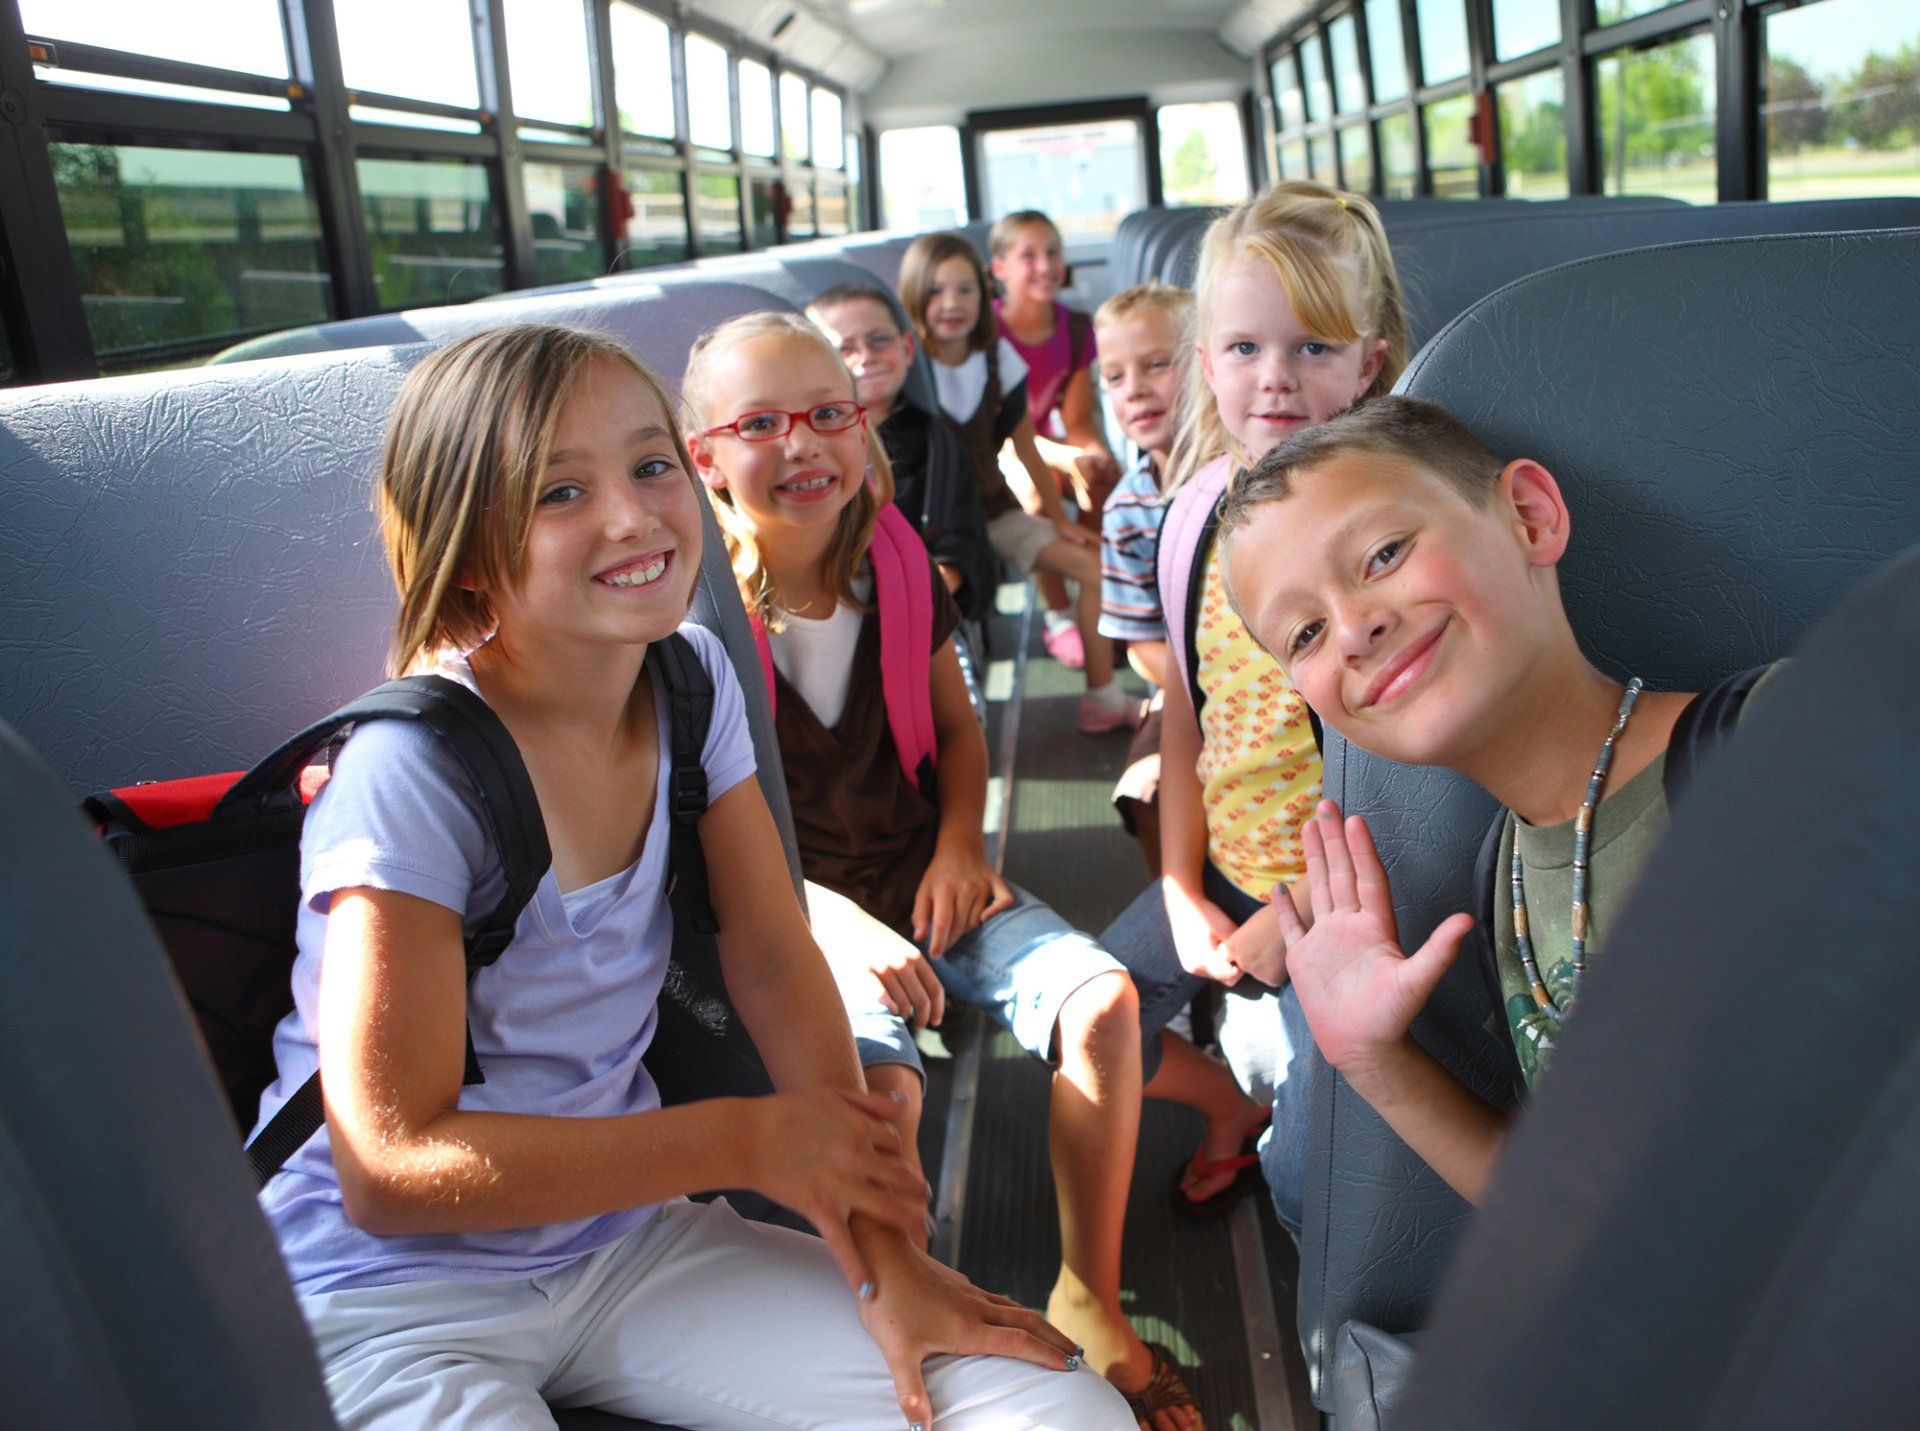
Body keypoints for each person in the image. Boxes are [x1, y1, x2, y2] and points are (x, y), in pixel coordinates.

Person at [251, 322, 1128, 1431]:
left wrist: (885, 1259)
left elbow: (768, 954)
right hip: (389, 1297)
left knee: (1052, 1408)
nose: (633, 515)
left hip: (625, 1243)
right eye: (560, 492)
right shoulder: (411, 774)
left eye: (651, 465)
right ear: (468, 547)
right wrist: (746, 1143)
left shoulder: (688, 681)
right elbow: (391, 1167)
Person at [684, 310, 1252, 1431]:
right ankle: (915, 1303)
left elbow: (958, 734)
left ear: (863, 425)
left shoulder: (894, 561)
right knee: (880, 1087)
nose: (802, 447)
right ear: (705, 455)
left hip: (921, 866)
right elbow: (710, 851)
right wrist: (840, 928)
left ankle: (1089, 1293)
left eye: (828, 415)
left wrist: (958, 847)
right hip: (794, 917)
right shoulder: (695, 626)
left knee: (1101, 1001)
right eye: (760, 425)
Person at [1215, 396, 1775, 1201]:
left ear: (1528, 516)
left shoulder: (1783, 738)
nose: (1352, 629)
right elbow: (1569, 1201)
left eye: (1383, 554)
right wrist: (1375, 1059)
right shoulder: (1504, 890)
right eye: (1304, 633)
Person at [1099, 182, 1407, 1237]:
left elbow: (1423, 783)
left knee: (1310, 1179)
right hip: (1228, 863)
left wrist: (1297, 918)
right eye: (1242, 349)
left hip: (1354, 894)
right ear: (1205, 363)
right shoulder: (1194, 517)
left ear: (1371, 362)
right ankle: (1233, 1107)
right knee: (1089, 1024)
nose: (1274, 379)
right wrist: (1182, 887)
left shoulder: (1393, 542)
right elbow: (1189, 721)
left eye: (1314, 348)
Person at [898, 232, 1130, 732]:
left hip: (995, 512)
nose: (952, 304)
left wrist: (1056, 520)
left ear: (984, 297)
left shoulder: (997, 359)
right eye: (937, 291)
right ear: (916, 296)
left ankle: (1103, 697)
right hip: (932, 527)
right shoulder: (905, 365)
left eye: (965, 290)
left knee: (1093, 567)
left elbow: (1024, 445)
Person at [806, 281, 998, 624]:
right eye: (844, 348)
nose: (866, 356)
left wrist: (901, 605)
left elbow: (958, 552)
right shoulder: (804, 450)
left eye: (879, 340)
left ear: (908, 348)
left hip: (913, 609)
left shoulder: (938, 445)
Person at [1091, 281, 1195, 877]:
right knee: (1144, 787)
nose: (1135, 390)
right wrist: (1200, 696)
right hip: (1183, 685)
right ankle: (1176, 893)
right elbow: (1142, 643)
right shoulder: (1128, 509)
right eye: (1114, 378)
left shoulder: (1246, 473)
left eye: (1158, 365)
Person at [990, 210, 1121, 642]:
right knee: (1036, 478)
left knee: (1101, 473)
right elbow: (1005, 433)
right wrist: (1064, 456)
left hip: (1050, 439)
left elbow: (1079, 419)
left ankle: (1101, 594)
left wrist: (1091, 455)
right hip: (1003, 448)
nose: (1045, 266)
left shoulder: (1078, 328)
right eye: (1029, 256)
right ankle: (1059, 613)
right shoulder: (984, 332)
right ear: (999, 268)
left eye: (1053, 253)